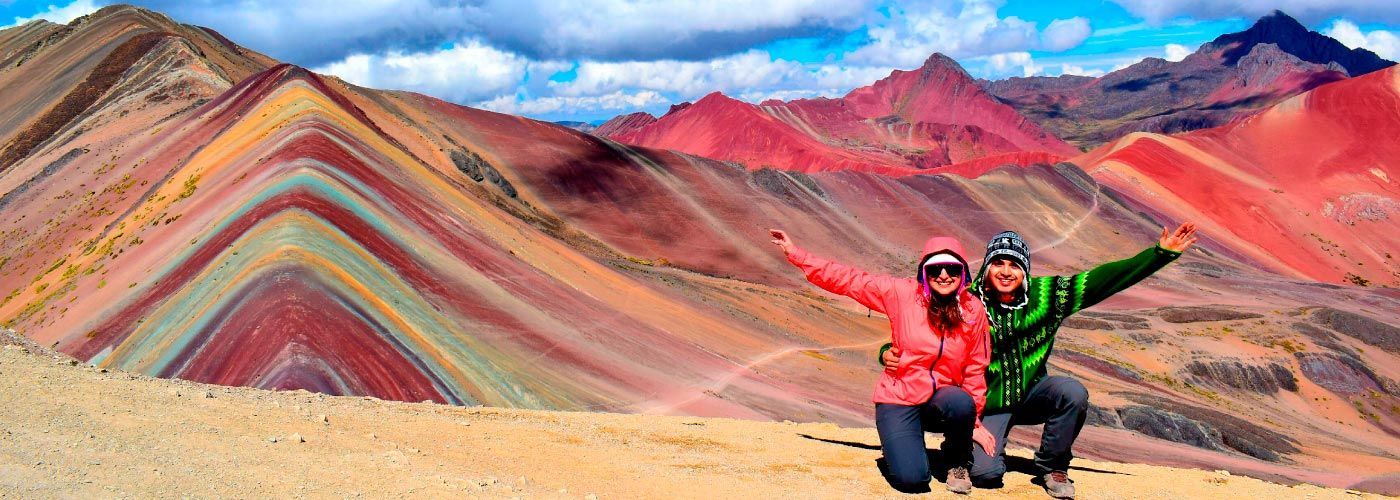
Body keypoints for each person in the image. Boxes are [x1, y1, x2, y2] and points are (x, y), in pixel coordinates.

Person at [880, 223, 1199, 499]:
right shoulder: (967, 299)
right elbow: (922, 331)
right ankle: (957, 453)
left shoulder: (1048, 296)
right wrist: (887, 351)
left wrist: (1159, 253)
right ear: (986, 267)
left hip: (1032, 392)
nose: (1006, 272)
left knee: (1071, 392)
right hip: (988, 402)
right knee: (987, 476)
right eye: (998, 263)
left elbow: (1102, 280)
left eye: (1015, 265)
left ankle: (1054, 467)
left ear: (1025, 270)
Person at [770, 229, 994, 494]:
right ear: (924, 271)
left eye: (951, 268)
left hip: (941, 401)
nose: (943, 276)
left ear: (963, 272)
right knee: (912, 480)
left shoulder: (972, 309)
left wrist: (974, 424)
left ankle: (957, 462)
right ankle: (903, 445)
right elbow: (849, 280)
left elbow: (975, 368)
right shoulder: (901, 293)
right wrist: (796, 254)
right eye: (935, 269)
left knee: (961, 401)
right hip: (899, 397)